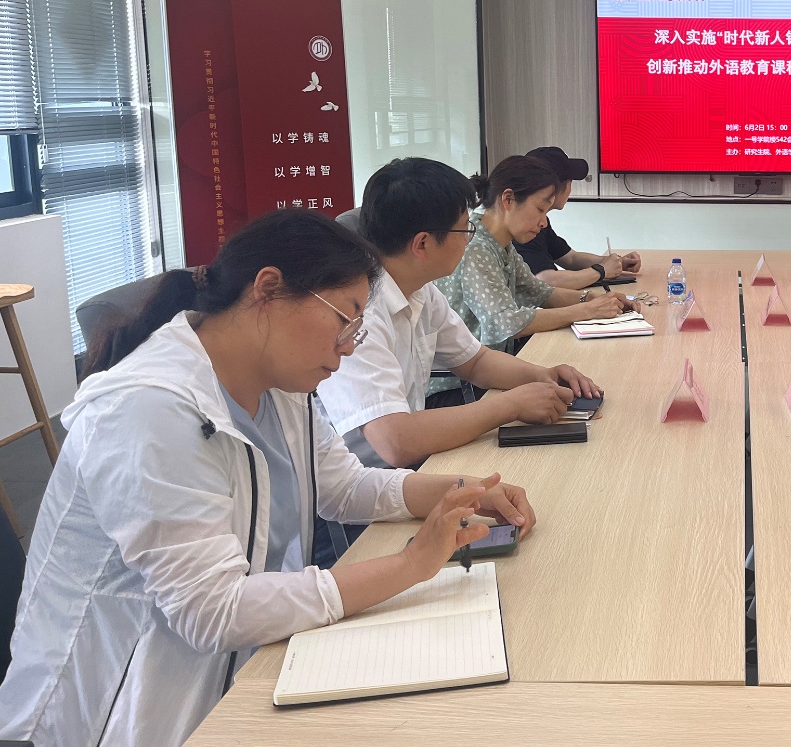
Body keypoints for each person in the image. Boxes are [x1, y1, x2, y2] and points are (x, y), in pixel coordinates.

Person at [0, 210, 536, 747]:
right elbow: (213, 611)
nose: (349, 346)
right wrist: (410, 564)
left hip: (236, 674)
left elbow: (344, 486)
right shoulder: (148, 410)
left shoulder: (278, 385)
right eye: (345, 320)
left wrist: (462, 491)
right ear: (268, 289)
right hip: (117, 719)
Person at [314, 157, 597, 564]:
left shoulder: (420, 289)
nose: (470, 239)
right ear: (422, 244)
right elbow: (395, 442)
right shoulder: (361, 310)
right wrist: (509, 405)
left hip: (408, 476)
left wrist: (543, 376)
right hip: (357, 506)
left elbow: (475, 361)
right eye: (465, 229)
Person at [436, 155, 633, 357]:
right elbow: (507, 323)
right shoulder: (476, 247)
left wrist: (594, 299)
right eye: (540, 209)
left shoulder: (500, 243)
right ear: (508, 199)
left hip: (491, 363)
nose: (544, 222)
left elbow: (539, 292)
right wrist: (588, 310)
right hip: (465, 374)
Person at [515, 146, 640, 288]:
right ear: (552, 188)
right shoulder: (525, 225)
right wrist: (602, 271)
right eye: (570, 181)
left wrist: (614, 263)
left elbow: (570, 258)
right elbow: (546, 280)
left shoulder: (541, 221)